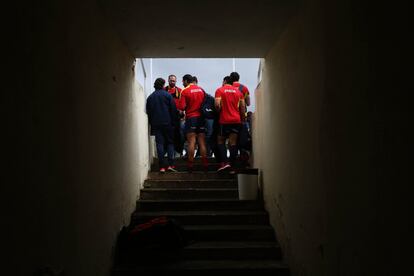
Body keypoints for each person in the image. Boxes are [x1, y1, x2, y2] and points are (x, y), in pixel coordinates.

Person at [146, 78, 178, 173]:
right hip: (168, 123)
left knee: (159, 144)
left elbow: (149, 112)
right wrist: (174, 123)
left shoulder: (150, 97)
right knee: (170, 143)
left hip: (156, 124)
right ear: (163, 85)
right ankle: (171, 165)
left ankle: (162, 167)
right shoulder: (167, 95)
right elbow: (173, 110)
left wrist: (152, 124)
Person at [215, 76, 246, 173]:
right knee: (233, 143)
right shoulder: (239, 92)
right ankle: (232, 166)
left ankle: (225, 163)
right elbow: (243, 107)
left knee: (220, 141)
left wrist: (219, 111)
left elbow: (217, 105)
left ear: (224, 81)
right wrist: (242, 120)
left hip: (224, 120)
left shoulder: (220, 90)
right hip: (236, 120)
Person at [179, 74, 208, 172]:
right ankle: (205, 164)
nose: (182, 83)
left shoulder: (185, 91)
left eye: (183, 81)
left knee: (191, 142)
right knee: (202, 142)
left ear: (186, 81)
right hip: (201, 118)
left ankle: (190, 165)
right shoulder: (201, 90)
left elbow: (182, 107)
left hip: (191, 118)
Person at [164, 74, 184, 157]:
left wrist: (182, 112)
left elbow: (182, 103)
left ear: (176, 81)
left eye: (174, 80)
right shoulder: (164, 90)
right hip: (166, 116)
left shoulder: (179, 91)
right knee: (166, 134)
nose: (172, 82)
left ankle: (178, 152)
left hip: (177, 116)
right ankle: (166, 152)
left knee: (178, 134)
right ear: (168, 80)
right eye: (171, 80)